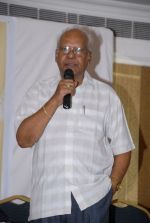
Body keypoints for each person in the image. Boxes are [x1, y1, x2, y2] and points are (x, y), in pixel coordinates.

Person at [16, 26, 135, 223]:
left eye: (78, 50)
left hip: (91, 202)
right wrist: (55, 98)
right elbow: (23, 139)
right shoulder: (37, 92)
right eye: (64, 49)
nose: (70, 55)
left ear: (89, 56)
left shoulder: (107, 97)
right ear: (56, 56)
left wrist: (111, 187)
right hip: (47, 204)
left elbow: (123, 148)